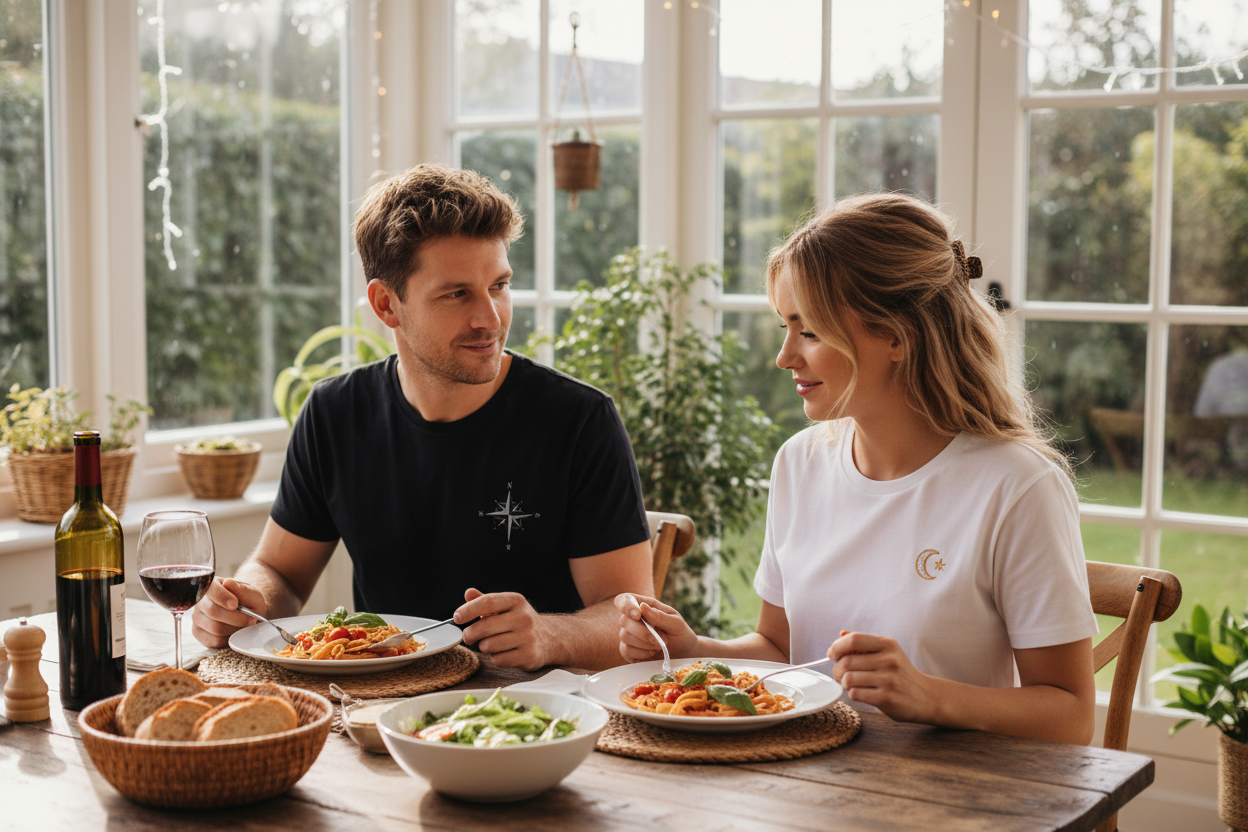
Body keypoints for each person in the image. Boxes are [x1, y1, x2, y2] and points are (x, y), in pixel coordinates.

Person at [616, 193, 1098, 743]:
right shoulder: (799, 463)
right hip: (804, 780)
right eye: (785, 326)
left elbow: (1072, 717)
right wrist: (693, 650)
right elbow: (779, 650)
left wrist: (928, 696)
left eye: (810, 330)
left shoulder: (1018, 487)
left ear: (895, 335)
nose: (785, 356)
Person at [192, 163, 654, 671]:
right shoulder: (333, 413)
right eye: (457, 294)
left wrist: (551, 634)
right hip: (371, 707)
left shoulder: (580, 421)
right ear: (386, 304)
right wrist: (247, 600)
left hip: (527, 713)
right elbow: (281, 572)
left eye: (499, 285)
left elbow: (630, 620)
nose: (491, 318)